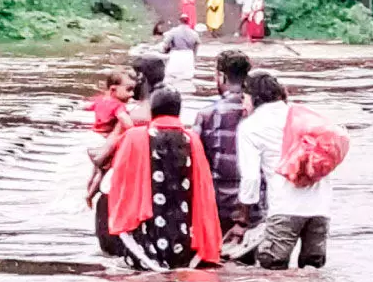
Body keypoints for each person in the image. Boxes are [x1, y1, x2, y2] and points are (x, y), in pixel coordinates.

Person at [107, 86, 222, 270]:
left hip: (145, 237)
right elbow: (204, 189)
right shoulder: (191, 139)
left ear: (152, 111)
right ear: (178, 111)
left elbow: (119, 183)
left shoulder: (134, 137)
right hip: (184, 237)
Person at [234, 72, 332, 270]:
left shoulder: (251, 126)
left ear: (254, 97)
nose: (243, 104)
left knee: (273, 271)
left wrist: (243, 219)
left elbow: (251, 178)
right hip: (321, 207)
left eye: (244, 98)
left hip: (285, 207)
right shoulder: (305, 116)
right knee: (313, 274)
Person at [91, 56, 166, 256]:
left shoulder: (133, 114)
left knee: (113, 252)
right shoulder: (169, 109)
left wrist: (95, 170)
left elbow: (102, 156)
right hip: (158, 189)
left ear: (140, 78)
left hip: (122, 189)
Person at [193, 51, 266, 241]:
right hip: (258, 208)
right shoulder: (263, 114)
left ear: (221, 76)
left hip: (219, 207)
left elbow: (194, 162)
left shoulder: (207, 115)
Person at [84, 70, 136, 205]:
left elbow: (88, 106)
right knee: (102, 172)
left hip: (92, 138)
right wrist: (135, 131)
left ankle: (87, 188)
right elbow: (127, 122)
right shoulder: (118, 106)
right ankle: (90, 196)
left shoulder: (101, 100)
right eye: (129, 90)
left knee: (95, 171)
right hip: (103, 142)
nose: (132, 94)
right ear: (113, 89)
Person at [159, 13, 200, 93]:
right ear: (188, 22)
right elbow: (198, 43)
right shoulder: (194, 33)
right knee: (187, 79)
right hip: (189, 56)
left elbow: (165, 44)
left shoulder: (173, 31)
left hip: (176, 56)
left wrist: (164, 53)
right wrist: (194, 55)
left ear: (179, 21)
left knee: (171, 78)